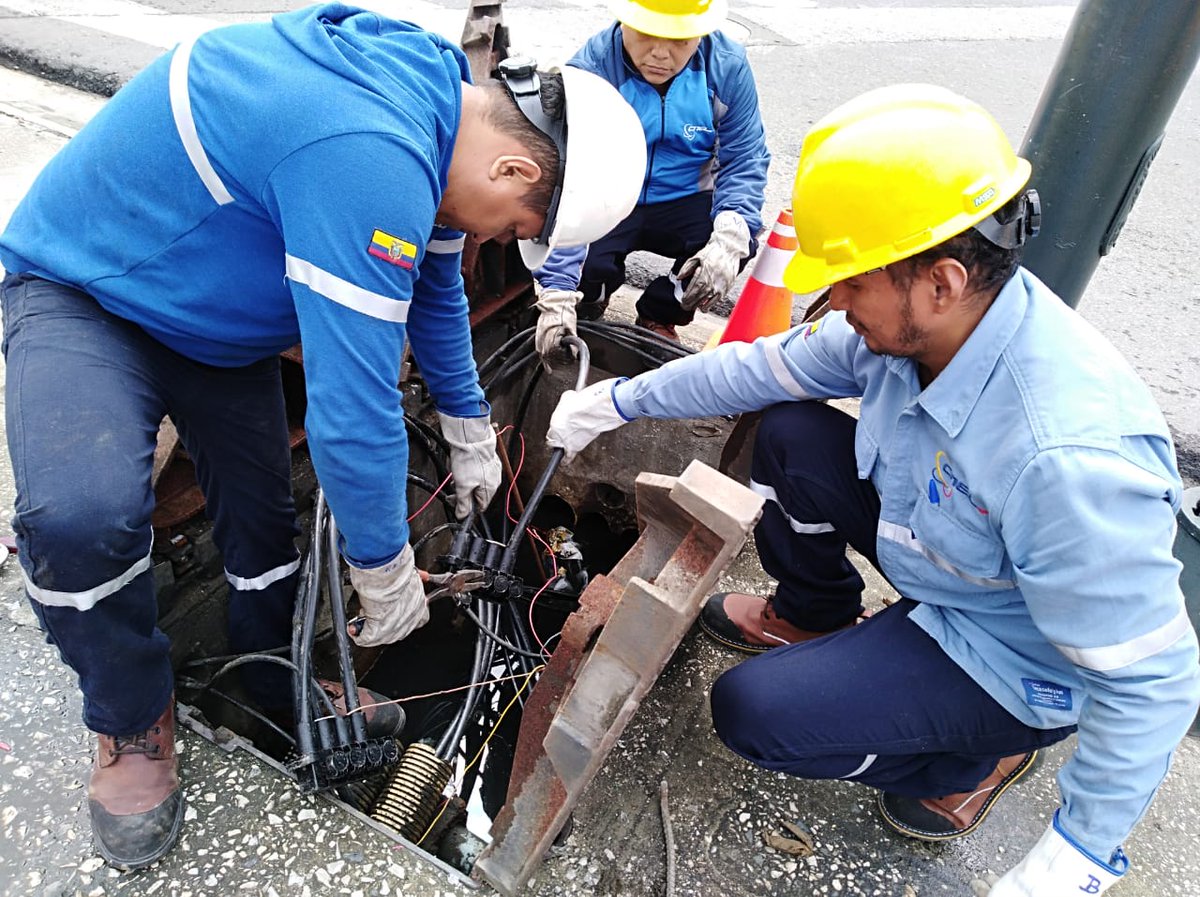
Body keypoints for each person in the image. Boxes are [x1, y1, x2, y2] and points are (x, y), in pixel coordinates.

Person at [0, 3, 646, 871]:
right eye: (519, 225)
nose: (500, 240)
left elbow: (436, 287)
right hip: (88, 288)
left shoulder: (439, 113)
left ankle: (272, 674)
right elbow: (354, 405)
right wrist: (382, 568)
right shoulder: (370, 153)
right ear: (513, 164)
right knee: (79, 521)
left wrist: (467, 426)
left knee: (264, 527)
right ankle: (130, 720)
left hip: (214, 327)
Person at [546, 84, 1200, 895]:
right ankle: (816, 615)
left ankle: (979, 755)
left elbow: (1153, 681)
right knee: (788, 430)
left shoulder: (1066, 456)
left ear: (942, 281)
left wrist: (1076, 856)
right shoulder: (909, 332)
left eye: (852, 280)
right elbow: (760, 367)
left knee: (754, 714)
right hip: (954, 556)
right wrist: (612, 401)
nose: (834, 300)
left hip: (1008, 652)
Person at [532, 0, 770, 351]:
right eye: (646, 35)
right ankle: (592, 297)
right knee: (580, 270)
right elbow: (572, 179)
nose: (661, 54)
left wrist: (731, 234)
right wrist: (557, 289)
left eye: (679, 40)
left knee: (735, 241)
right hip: (610, 196)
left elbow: (744, 158)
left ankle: (660, 312)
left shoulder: (727, 68)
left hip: (686, 198)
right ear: (624, 21)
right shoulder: (592, 71)